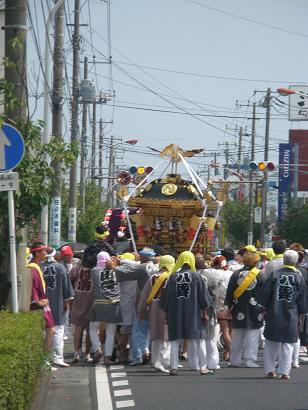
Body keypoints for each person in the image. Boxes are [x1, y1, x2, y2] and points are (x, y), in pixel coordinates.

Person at [160, 251, 213, 376]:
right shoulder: (196, 277)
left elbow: (166, 298)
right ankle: (203, 367)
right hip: (193, 313)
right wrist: (205, 314)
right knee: (198, 340)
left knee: (175, 340)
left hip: (175, 313)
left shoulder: (172, 277)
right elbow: (203, 298)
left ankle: (173, 367)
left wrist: (167, 315)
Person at [258, 250, 308, 379]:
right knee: (288, 343)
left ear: (284, 261)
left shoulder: (274, 275)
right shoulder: (299, 278)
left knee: (271, 342)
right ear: (296, 262)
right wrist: (302, 315)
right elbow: (302, 300)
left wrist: (263, 310)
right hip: (292, 314)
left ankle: (270, 370)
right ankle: (285, 372)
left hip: (274, 312)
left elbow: (265, 295)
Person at [115, 247, 159, 366]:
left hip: (143, 302)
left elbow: (124, 273)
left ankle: (137, 355)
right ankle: (152, 354)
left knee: (138, 330)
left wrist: (113, 267)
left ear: (144, 257)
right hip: (158, 304)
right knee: (154, 331)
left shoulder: (143, 268)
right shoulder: (159, 267)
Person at [224, 251, 266, 367]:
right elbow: (265, 293)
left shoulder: (236, 274)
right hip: (255, 309)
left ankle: (234, 360)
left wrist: (228, 306)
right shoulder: (260, 275)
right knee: (252, 335)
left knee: (237, 335)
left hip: (238, 307)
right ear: (256, 261)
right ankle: (250, 360)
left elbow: (229, 292)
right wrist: (265, 308)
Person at [137, 255, 175, 373]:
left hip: (153, 308)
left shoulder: (153, 277)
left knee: (156, 335)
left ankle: (155, 360)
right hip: (167, 308)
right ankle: (163, 361)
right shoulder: (171, 278)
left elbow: (144, 295)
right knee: (167, 336)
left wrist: (140, 310)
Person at [89, 251, 122, 366]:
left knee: (93, 329)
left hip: (99, 303)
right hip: (114, 303)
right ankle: (107, 358)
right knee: (110, 332)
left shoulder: (94, 271)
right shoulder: (116, 271)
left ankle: (97, 350)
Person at [43, 247, 74, 367]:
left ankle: (46, 358)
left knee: (45, 332)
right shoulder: (60, 267)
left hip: (43, 304)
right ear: (55, 255)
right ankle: (58, 357)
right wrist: (67, 302)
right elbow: (66, 289)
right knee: (59, 331)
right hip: (58, 302)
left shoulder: (40, 267)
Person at [27, 242, 56, 369]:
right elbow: (32, 286)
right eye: (43, 251)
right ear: (37, 253)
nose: (46, 253)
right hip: (39, 304)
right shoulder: (33, 267)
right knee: (50, 331)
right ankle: (43, 361)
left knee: (50, 331)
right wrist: (37, 301)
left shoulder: (37, 266)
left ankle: (44, 360)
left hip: (42, 302)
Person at [70, 245, 97, 363]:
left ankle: (76, 353)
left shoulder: (77, 268)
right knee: (90, 329)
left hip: (78, 298)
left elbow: (69, 278)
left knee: (78, 327)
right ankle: (87, 355)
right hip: (92, 301)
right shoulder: (96, 270)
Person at [203, 255, 233, 362]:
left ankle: (232, 352)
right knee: (230, 330)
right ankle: (228, 352)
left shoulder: (211, 273)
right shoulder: (231, 273)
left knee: (224, 330)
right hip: (232, 304)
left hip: (220, 305)